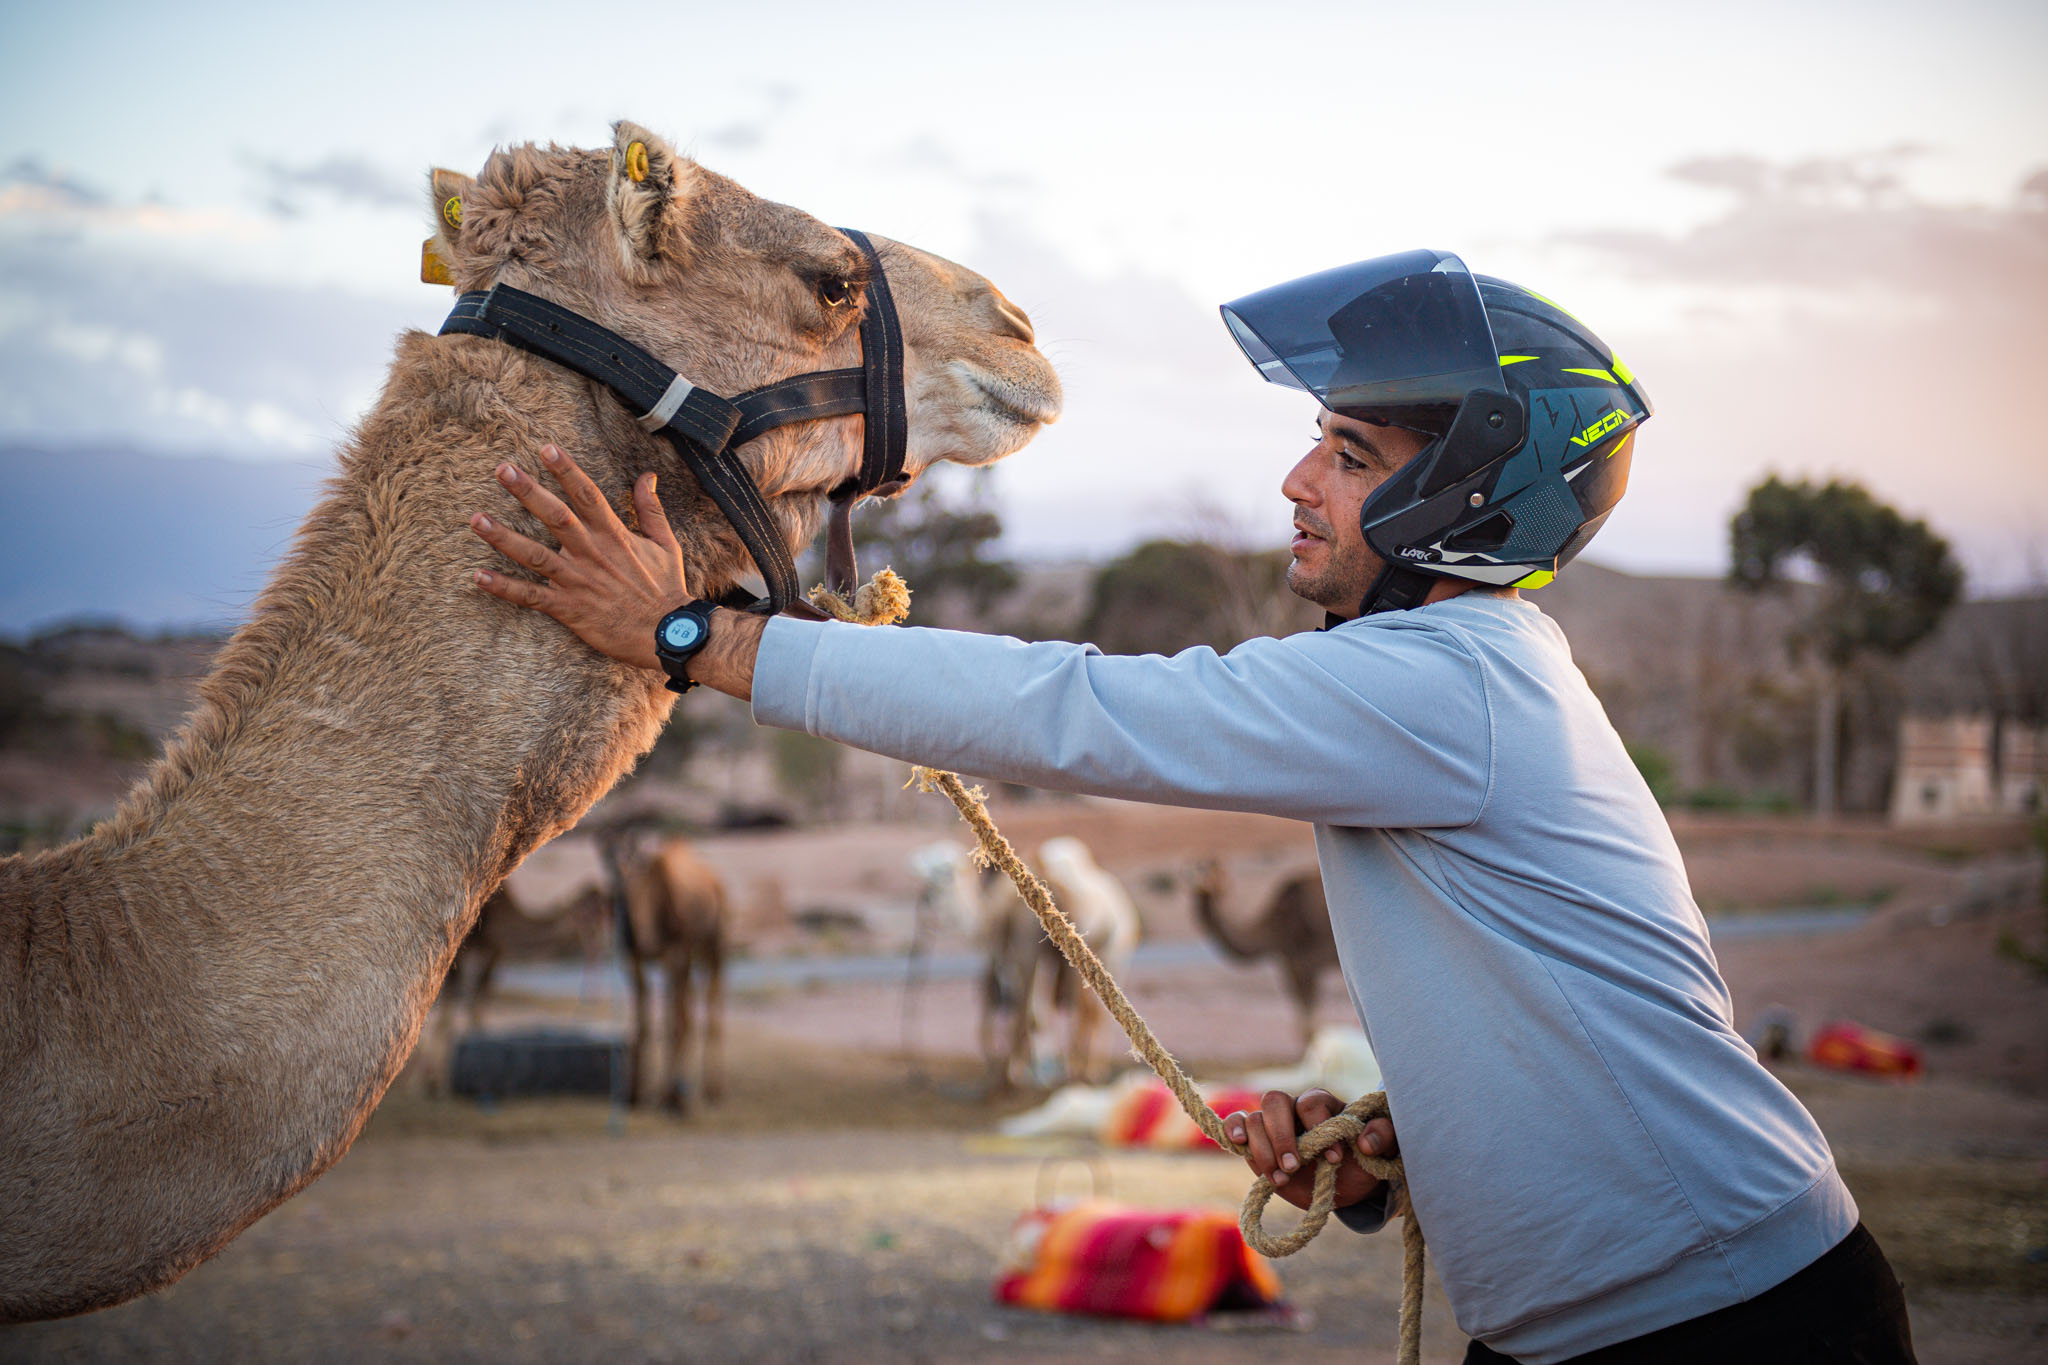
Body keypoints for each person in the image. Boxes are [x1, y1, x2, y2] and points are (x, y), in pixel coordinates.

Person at [466, 250, 1916, 1364]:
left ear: (1465, 498)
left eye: (1349, 454)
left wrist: (695, 638)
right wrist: (1408, 1139)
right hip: (1612, 1324)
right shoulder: (1455, 680)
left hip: (1726, 1326)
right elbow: (1575, 1014)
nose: (1296, 479)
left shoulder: (1449, 683)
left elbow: (1077, 710)